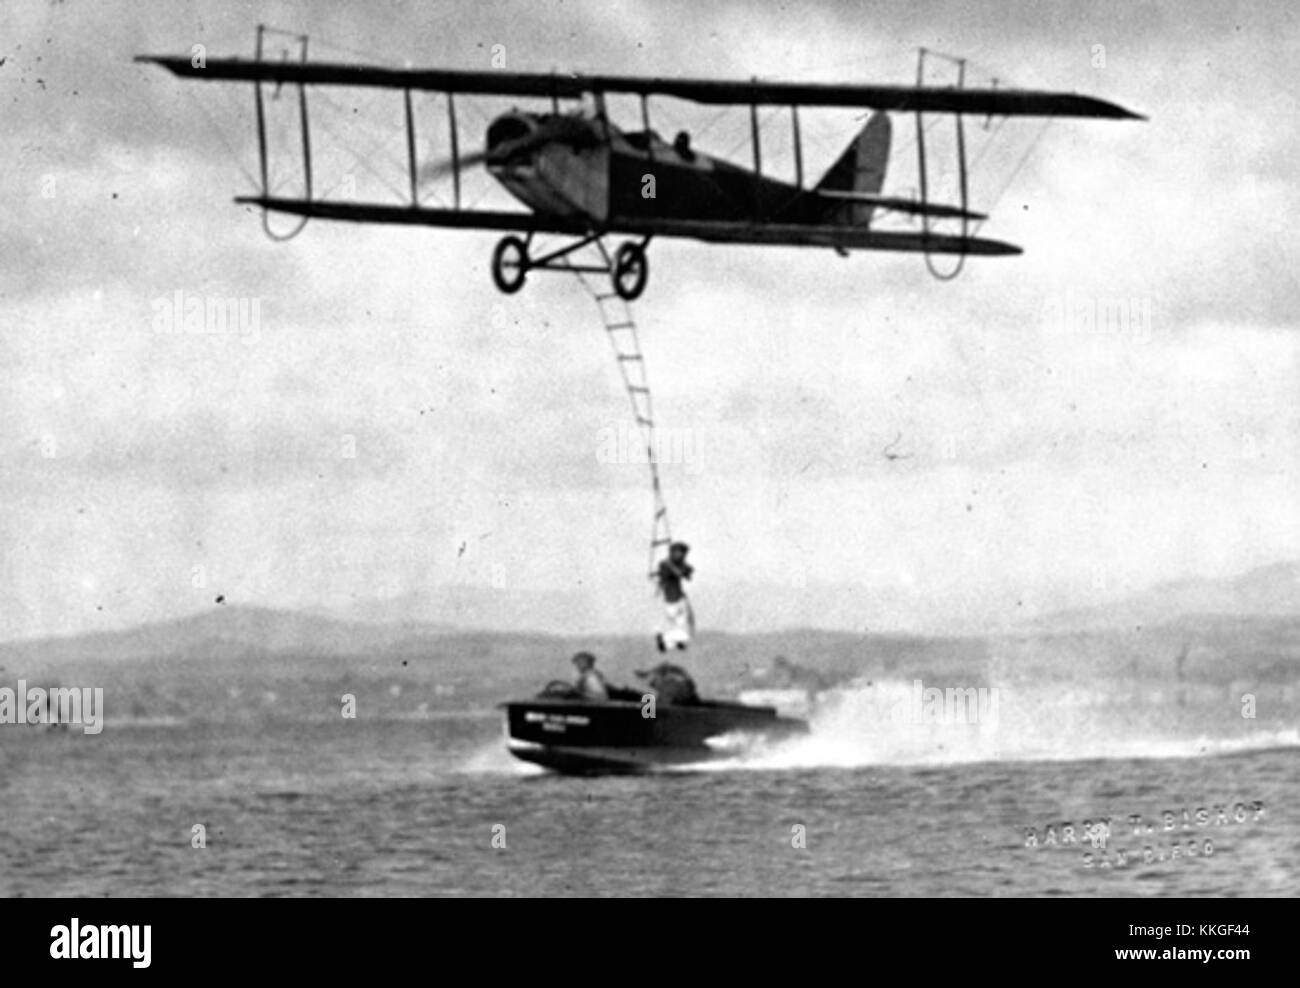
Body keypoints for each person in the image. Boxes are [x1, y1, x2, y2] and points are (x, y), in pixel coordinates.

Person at [655, 541, 695, 652]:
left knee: (682, 625)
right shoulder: (665, 564)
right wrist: (673, 566)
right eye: (680, 553)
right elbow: (677, 573)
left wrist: (684, 568)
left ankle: (673, 642)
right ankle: (665, 638)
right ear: (673, 552)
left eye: (683, 554)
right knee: (687, 631)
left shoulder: (677, 564)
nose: (682, 556)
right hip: (673, 601)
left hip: (678, 599)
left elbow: (688, 573)